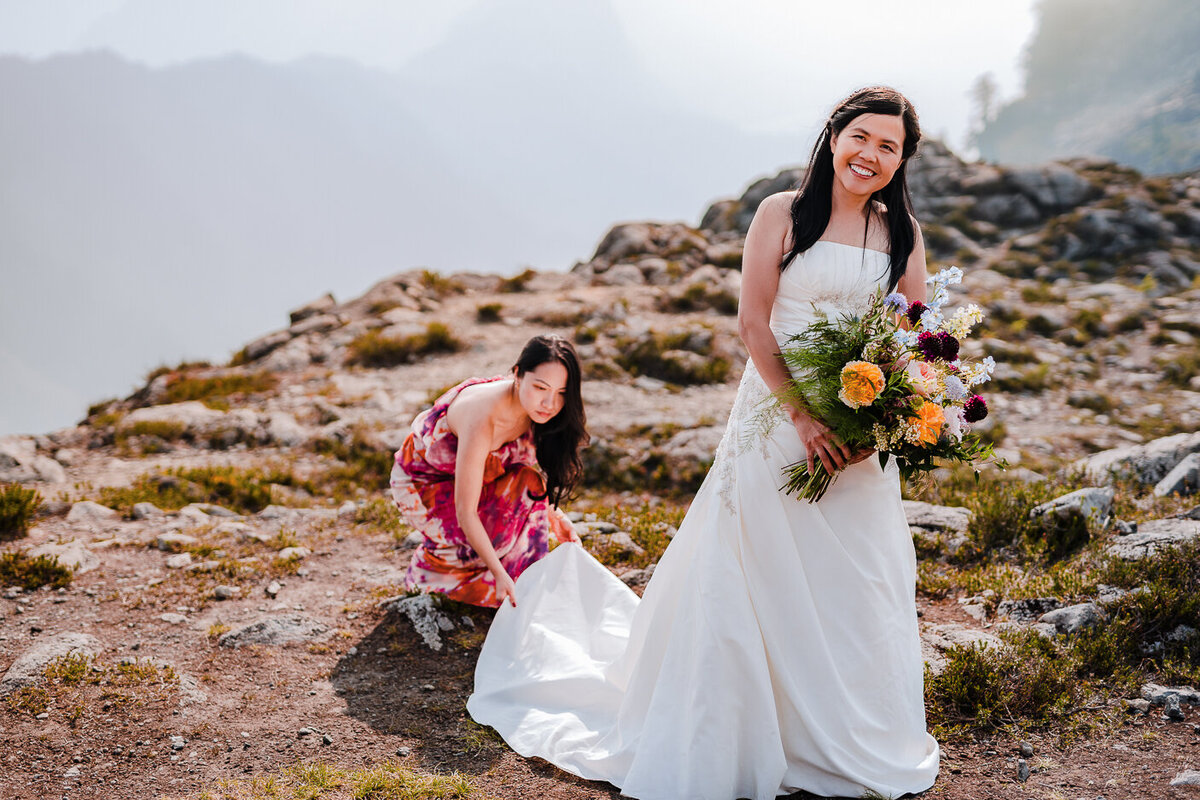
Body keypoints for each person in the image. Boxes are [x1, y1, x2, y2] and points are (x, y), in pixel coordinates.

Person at [467, 86, 940, 799]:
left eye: (888, 147)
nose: (870, 156)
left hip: (860, 438)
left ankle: (842, 733)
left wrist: (885, 420)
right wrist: (805, 419)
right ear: (834, 135)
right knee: (757, 569)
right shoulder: (781, 214)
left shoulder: (899, 229)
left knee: (857, 577)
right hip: (776, 421)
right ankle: (745, 728)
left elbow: (915, 334)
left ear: (900, 160)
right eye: (861, 137)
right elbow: (754, 324)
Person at [389, 334, 587, 609]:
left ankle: (519, 580)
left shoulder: (534, 411)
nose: (550, 404)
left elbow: (525, 470)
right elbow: (465, 511)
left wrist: (556, 517)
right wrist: (498, 573)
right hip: (424, 486)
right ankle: (430, 573)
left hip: (480, 477)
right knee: (481, 553)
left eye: (561, 393)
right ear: (518, 374)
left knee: (532, 486)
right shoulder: (482, 416)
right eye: (541, 388)